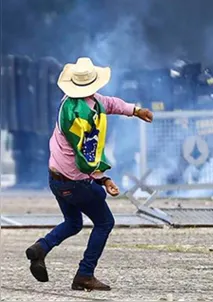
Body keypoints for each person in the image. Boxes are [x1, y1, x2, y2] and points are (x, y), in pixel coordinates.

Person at [25, 57, 154, 291]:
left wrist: (135, 110)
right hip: (75, 181)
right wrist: (104, 179)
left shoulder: (77, 101)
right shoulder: (77, 118)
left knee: (73, 222)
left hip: (56, 178)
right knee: (105, 221)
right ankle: (84, 274)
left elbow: (110, 103)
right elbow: (86, 158)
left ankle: (41, 248)